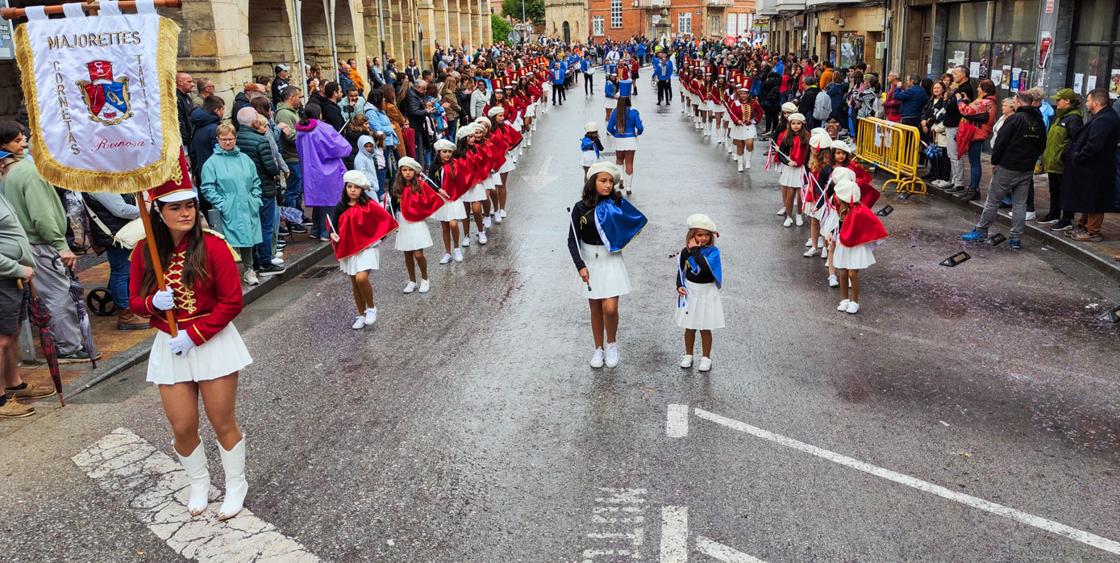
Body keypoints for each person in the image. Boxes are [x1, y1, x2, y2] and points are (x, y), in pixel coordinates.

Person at [128, 178, 252, 521]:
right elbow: (134, 301)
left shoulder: (213, 246)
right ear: (159, 211)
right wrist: (153, 302)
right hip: (170, 344)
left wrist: (195, 335)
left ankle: (235, 483)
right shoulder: (144, 250)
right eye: (175, 207)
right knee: (182, 426)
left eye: (190, 206)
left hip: (212, 341)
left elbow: (232, 302)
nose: (185, 213)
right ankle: (198, 482)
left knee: (221, 420)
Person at [3, 154, 91, 361]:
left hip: (29, 244)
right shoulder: (30, 173)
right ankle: (68, 346)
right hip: (39, 245)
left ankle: (64, 343)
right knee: (58, 294)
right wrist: (60, 245)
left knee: (49, 295)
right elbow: (42, 216)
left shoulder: (15, 172)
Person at [567, 162, 633, 369]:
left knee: (610, 308)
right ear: (592, 182)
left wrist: (620, 239)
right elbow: (572, 239)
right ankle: (598, 348)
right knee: (595, 308)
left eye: (610, 182)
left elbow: (631, 224)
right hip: (589, 260)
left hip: (610, 259)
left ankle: (611, 344)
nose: (607, 185)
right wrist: (580, 266)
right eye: (602, 181)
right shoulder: (580, 208)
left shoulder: (617, 204)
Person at [961, 91, 1046, 250]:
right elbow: (1041, 146)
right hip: (1026, 168)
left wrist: (995, 161)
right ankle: (1015, 238)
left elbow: (1001, 141)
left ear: (1020, 102)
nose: (1013, 103)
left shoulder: (1015, 119)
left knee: (993, 201)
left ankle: (981, 231)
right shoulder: (1039, 121)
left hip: (1008, 166)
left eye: (1014, 101)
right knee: (1020, 204)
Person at [0, 185, 55, 418]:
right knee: (1, 339)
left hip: (13, 276)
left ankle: (15, 384)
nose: (3, 164)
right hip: (6, 276)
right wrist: (15, 267)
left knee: (12, 333)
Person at [200, 123, 264, 285]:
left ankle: (249, 270)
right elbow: (207, 187)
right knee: (227, 242)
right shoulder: (212, 163)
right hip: (228, 207)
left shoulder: (245, 159)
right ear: (218, 140)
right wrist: (222, 203)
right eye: (224, 139)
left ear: (235, 139)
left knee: (247, 240)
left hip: (247, 204)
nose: (227, 142)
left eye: (230, 139)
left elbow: (256, 181)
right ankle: (229, 274)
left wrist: (255, 199)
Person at [331, 171, 395, 329]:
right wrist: (333, 234)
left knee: (361, 278)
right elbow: (333, 227)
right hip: (350, 250)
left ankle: (371, 308)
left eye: (356, 187)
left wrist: (378, 238)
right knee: (354, 282)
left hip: (367, 248)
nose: (352, 190)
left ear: (362, 190)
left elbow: (384, 219)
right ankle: (361, 314)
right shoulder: (340, 207)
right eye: (349, 186)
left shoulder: (369, 204)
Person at [1062, 88, 1120, 243]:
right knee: (1088, 198)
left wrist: (1079, 157)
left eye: (1088, 100)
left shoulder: (1105, 119)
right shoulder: (1101, 117)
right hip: (1093, 167)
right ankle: (1084, 225)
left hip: (1097, 168)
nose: (1086, 103)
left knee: (1095, 199)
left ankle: (1092, 231)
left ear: (1096, 102)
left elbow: (1094, 145)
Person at [83, 190, 147, 330]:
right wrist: (145, 209)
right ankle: (126, 315)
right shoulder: (99, 184)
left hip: (120, 231)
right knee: (121, 273)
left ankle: (129, 305)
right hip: (116, 235)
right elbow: (120, 209)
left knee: (124, 271)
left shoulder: (105, 180)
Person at [235, 109, 285, 277]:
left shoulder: (236, 140)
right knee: (265, 225)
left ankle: (254, 261)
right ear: (253, 122)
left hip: (244, 191)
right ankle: (265, 262)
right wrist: (277, 170)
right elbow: (271, 166)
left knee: (251, 226)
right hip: (264, 187)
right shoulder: (260, 140)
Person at [829, 168, 884, 315]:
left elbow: (873, 225)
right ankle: (844, 299)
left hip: (855, 246)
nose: (836, 197)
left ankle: (855, 301)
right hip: (843, 243)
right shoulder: (841, 209)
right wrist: (832, 235)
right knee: (843, 272)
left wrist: (872, 240)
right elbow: (838, 225)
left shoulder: (860, 210)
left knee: (853, 274)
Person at [295, 105, 352, 242]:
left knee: (318, 202)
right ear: (319, 114)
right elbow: (340, 146)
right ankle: (327, 232)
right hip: (328, 170)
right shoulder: (323, 128)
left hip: (310, 170)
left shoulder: (300, 131)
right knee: (330, 202)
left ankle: (316, 229)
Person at [675, 214, 723, 373]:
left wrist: (695, 251)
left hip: (707, 292)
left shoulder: (713, 252)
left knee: (705, 327)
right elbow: (681, 270)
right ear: (692, 235)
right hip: (691, 291)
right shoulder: (685, 252)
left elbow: (708, 270)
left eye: (706, 235)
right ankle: (688, 355)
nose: (703, 238)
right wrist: (679, 285)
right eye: (699, 235)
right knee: (689, 327)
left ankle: (706, 357)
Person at [1040, 89, 1084, 231]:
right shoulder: (1060, 117)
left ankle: (1066, 219)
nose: (1056, 102)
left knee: (1065, 191)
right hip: (1053, 161)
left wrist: (1064, 155)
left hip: (1062, 162)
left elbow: (1075, 140)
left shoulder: (1074, 118)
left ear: (1068, 101)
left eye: (1059, 100)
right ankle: (1054, 213)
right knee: (1054, 190)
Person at [390, 157, 433, 294]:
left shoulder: (420, 185)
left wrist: (423, 213)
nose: (407, 173)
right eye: (404, 170)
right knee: (407, 253)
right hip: (403, 222)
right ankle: (412, 281)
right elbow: (393, 206)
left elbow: (429, 200)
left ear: (415, 172)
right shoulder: (397, 187)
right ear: (400, 171)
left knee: (418, 254)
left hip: (417, 222)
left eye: (410, 170)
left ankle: (425, 279)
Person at [955, 79, 997, 201]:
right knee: (974, 161)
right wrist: (968, 101)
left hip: (976, 133)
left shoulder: (985, 102)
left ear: (985, 90)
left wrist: (959, 100)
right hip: (978, 133)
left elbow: (965, 111)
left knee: (974, 162)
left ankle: (974, 189)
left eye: (979, 87)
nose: (977, 89)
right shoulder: (989, 101)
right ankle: (972, 188)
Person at [428, 139, 467, 264]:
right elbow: (430, 182)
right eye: (444, 152)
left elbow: (462, 179)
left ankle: (456, 248)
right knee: (445, 227)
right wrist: (439, 190)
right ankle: (447, 253)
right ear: (439, 152)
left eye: (450, 152)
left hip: (453, 198)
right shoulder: (434, 166)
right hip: (441, 199)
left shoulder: (455, 163)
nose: (447, 154)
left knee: (453, 224)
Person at [275, 87, 306, 232]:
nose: (300, 100)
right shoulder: (284, 115)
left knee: (298, 189)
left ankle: (298, 215)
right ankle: (292, 220)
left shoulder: (292, 113)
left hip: (297, 156)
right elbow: (290, 136)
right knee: (293, 190)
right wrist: (305, 136)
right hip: (291, 157)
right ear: (291, 97)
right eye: (298, 96)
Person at [773, 113, 809, 227]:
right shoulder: (787, 137)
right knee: (790, 194)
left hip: (802, 168)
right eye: (793, 123)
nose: (796, 126)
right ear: (790, 124)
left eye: (798, 123)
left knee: (800, 194)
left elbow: (810, 153)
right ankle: (789, 216)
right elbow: (781, 154)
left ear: (802, 124)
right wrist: (788, 162)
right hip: (791, 168)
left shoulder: (807, 136)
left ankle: (799, 214)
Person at [606, 96, 644, 195]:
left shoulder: (615, 112)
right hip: (630, 139)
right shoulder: (634, 112)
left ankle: (620, 181)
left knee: (619, 161)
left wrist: (616, 134)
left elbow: (609, 128)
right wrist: (638, 133)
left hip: (619, 139)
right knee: (629, 163)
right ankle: (628, 187)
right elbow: (639, 127)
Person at [188, 95, 225, 181]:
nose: (223, 112)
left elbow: (193, 151)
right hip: (215, 173)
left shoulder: (197, 125)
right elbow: (219, 152)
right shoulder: (214, 129)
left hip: (201, 171)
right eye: (222, 109)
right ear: (217, 110)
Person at [726, 85, 762, 173]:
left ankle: (748, 160)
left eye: (744, 93)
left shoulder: (754, 102)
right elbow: (732, 113)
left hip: (749, 126)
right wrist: (737, 121)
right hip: (738, 127)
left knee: (749, 143)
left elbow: (760, 112)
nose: (743, 95)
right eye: (741, 93)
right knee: (740, 146)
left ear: (748, 94)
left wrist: (755, 121)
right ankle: (740, 164)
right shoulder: (735, 103)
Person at [176, 72, 196, 149]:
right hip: (185, 142)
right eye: (189, 82)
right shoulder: (177, 99)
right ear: (180, 82)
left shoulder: (187, 96)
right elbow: (180, 121)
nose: (193, 84)